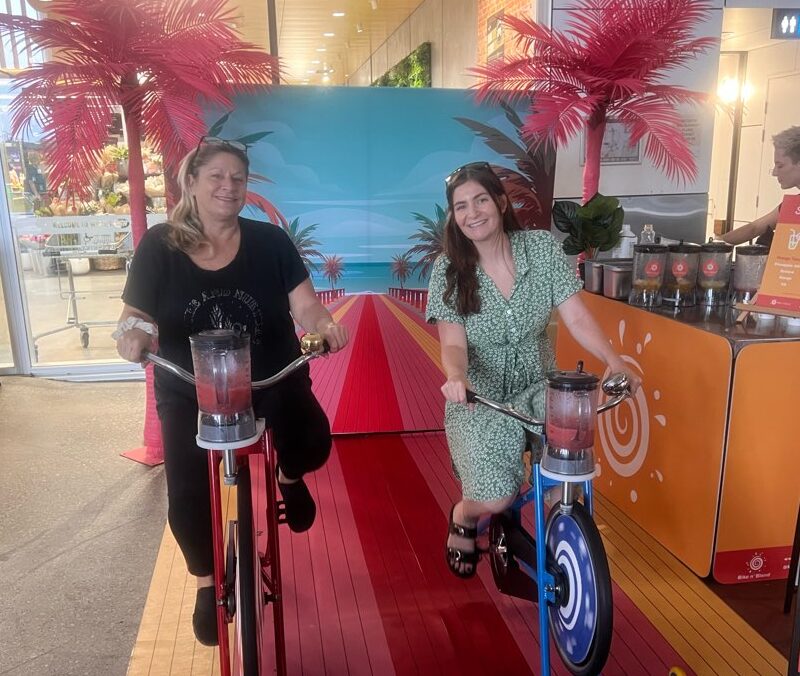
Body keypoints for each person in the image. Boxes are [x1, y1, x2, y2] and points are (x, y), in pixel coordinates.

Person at [114, 137, 348, 645]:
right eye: (216, 176)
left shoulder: (271, 243)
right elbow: (135, 316)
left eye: (237, 179)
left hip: (270, 376)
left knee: (313, 438)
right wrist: (133, 335)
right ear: (192, 183)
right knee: (187, 491)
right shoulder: (160, 246)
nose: (228, 186)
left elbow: (306, 307)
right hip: (190, 389)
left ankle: (287, 476)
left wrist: (324, 322)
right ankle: (205, 582)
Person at [425, 162, 641, 578]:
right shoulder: (449, 270)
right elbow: (453, 344)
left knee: (565, 476)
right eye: (461, 206)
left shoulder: (540, 249)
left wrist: (615, 362)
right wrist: (456, 378)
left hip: (541, 385)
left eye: (481, 200)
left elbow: (576, 319)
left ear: (501, 203)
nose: (473, 213)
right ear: (454, 216)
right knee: (497, 498)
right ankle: (466, 515)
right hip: (478, 396)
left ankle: (566, 556)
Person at [720, 126, 800, 248]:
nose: (774, 172)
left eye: (780, 166)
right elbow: (754, 228)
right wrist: (713, 245)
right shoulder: (792, 205)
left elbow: (754, 229)